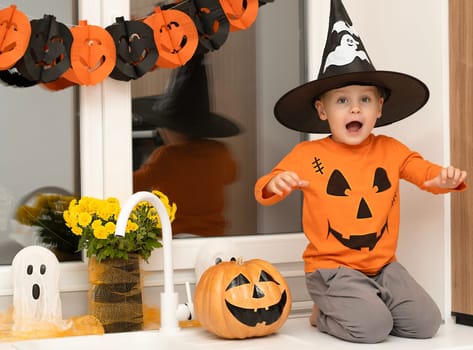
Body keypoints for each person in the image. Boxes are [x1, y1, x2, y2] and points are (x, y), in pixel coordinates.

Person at [254, 0, 467, 344]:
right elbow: (265, 187)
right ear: (322, 110)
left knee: (427, 324)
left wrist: (442, 179)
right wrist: (276, 183)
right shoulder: (309, 154)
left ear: (379, 107)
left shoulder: (390, 150)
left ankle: (369, 305)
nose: (354, 107)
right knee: (373, 329)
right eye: (342, 101)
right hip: (332, 270)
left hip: (384, 268)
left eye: (365, 100)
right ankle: (325, 313)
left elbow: (422, 172)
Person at [133, 54, 241, 237]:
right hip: (212, 235)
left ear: (174, 129)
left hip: (175, 236)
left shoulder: (166, 156)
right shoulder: (221, 152)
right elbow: (232, 175)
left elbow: (136, 183)